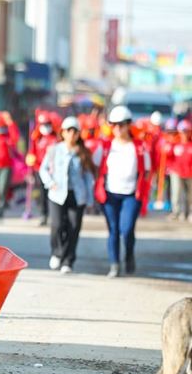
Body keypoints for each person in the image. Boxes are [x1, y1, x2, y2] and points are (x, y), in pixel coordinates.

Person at [94, 106, 151, 278]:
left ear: (128, 125)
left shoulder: (139, 146)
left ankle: (129, 256)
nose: (117, 128)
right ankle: (114, 264)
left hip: (131, 195)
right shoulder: (105, 146)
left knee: (126, 229)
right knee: (113, 230)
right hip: (110, 194)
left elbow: (147, 170)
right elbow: (95, 166)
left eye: (121, 124)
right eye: (114, 125)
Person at [38, 116, 96, 274]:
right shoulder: (54, 150)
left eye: (75, 131)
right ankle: (57, 253)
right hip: (57, 194)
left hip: (78, 196)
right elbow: (43, 169)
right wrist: (50, 183)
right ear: (62, 132)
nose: (71, 134)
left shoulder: (83, 152)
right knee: (57, 225)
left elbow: (89, 177)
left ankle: (68, 260)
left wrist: (90, 200)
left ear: (78, 134)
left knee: (73, 228)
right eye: (68, 130)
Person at [26, 112, 59, 226]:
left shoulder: (56, 138)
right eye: (43, 124)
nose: (45, 126)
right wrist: (30, 159)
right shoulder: (36, 138)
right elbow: (32, 152)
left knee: (53, 194)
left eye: (47, 123)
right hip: (39, 170)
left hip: (53, 171)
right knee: (42, 194)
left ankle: (54, 215)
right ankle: (43, 215)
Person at [167, 119, 192, 221]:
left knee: (190, 195)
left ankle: (189, 212)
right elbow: (169, 157)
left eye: (187, 131)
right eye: (183, 131)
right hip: (177, 172)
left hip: (190, 173)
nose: (184, 134)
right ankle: (177, 212)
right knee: (177, 193)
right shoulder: (174, 144)